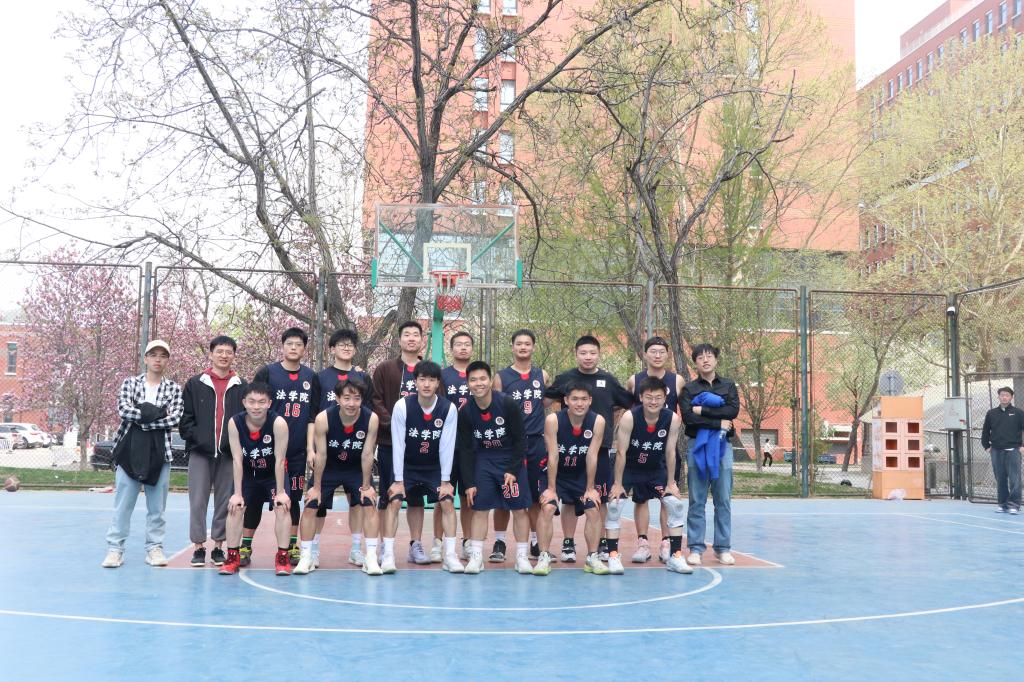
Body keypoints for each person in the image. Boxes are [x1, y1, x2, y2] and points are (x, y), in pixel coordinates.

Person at [545, 335, 634, 562]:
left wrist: (611, 419)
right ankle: (568, 543)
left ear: (599, 355)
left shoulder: (608, 380)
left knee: (598, 498)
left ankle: (601, 542)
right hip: (568, 450)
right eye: (583, 353)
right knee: (568, 500)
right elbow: (545, 399)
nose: (588, 357)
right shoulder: (565, 378)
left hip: (599, 449)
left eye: (592, 353)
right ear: (576, 354)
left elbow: (627, 403)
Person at [102, 340, 184, 568]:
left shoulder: (174, 388)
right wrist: (156, 414)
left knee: (157, 507)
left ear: (167, 360)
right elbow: (124, 410)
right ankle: (115, 549)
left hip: (160, 453)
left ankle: (154, 549)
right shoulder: (130, 383)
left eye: (163, 355)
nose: (158, 359)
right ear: (145, 358)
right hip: (129, 451)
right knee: (123, 504)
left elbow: (175, 417)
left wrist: (144, 417)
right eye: (153, 354)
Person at [248, 328, 321, 566]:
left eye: (298, 344)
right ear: (282, 346)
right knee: (255, 497)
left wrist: (310, 448)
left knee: (293, 498)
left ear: (304, 348)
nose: (293, 348)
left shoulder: (310, 377)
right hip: (267, 449)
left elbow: (312, 416)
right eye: (289, 343)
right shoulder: (267, 372)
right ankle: (245, 546)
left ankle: (290, 545)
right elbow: (254, 407)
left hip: (296, 450)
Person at [295, 378, 382, 575]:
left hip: (355, 468)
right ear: (337, 398)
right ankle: (307, 556)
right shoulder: (323, 418)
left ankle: (369, 556)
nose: (351, 403)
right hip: (329, 468)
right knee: (311, 504)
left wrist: (366, 486)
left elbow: (368, 454)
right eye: (347, 398)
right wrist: (317, 487)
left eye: (357, 398)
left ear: (362, 400)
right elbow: (321, 454)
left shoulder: (371, 419)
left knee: (369, 503)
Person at [382, 361, 463, 573]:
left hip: (433, 466)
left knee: (447, 501)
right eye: (422, 379)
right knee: (395, 501)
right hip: (407, 465)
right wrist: (398, 480)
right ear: (415, 382)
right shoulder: (402, 406)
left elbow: (447, 446)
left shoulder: (448, 408)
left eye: (431, 380)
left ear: (438, 383)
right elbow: (398, 444)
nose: (426, 384)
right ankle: (389, 554)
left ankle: (450, 556)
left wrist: (446, 481)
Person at [608, 376, 691, 574]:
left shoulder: (672, 418)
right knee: (614, 505)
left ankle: (675, 556)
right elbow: (621, 452)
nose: (653, 401)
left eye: (658, 397)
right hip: (629, 468)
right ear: (641, 397)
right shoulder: (629, 417)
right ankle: (612, 556)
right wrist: (617, 484)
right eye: (649, 397)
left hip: (655, 468)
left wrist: (671, 483)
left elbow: (670, 452)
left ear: (665, 398)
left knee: (675, 504)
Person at [458, 361, 533, 575]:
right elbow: (465, 449)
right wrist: (469, 482)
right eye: (473, 380)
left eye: (483, 378)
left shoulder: (507, 404)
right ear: (468, 384)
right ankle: (476, 557)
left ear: (491, 380)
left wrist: (513, 469)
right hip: (484, 460)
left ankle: (521, 556)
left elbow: (520, 440)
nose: (478, 383)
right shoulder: (466, 411)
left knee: (519, 509)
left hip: (510, 459)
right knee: (479, 509)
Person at [179, 335, 246, 567]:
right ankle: (198, 547)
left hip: (228, 454)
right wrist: (199, 439)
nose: (224, 355)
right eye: (219, 351)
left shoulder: (241, 385)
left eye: (229, 352)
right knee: (197, 501)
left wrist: (234, 443)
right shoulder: (195, 383)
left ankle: (218, 546)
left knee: (224, 501)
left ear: (234, 355)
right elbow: (186, 420)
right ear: (211, 354)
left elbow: (246, 419)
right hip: (200, 453)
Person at [370, 320, 431, 564]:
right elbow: (375, 400)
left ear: (422, 340)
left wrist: (420, 429)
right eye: (407, 334)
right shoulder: (385, 369)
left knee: (416, 498)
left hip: (419, 447)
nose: (411, 338)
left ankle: (416, 545)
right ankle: (385, 547)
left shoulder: (429, 371)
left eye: (416, 334)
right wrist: (394, 425)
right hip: (389, 444)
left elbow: (438, 403)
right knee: (388, 497)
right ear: (399, 340)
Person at [218, 383, 292, 576]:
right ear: (244, 402)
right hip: (249, 474)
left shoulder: (278, 423)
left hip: (272, 474)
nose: (256, 406)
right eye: (251, 401)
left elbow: (280, 460)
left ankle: (282, 557)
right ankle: (232, 556)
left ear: (269, 403)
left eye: (261, 402)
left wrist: (281, 492)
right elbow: (237, 459)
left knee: (282, 506)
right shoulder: (235, 422)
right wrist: (237, 493)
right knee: (235, 507)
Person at [535, 382, 606, 575]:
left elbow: (592, 456)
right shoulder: (553, 420)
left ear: (590, 401)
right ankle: (543, 556)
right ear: (566, 400)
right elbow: (553, 456)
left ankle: (592, 557)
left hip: (580, 474)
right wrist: (551, 488)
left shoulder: (597, 421)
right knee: (548, 507)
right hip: (556, 473)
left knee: (593, 509)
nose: (579, 403)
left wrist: (590, 488)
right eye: (574, 399)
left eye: (583, 399)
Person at [492, 328, 550, 562]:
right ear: (512, 347)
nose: (523, 347)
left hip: (536, 442)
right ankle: (499, 542)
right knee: (506, 495)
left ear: (533, 347)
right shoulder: (501, 377)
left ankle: (535, 542)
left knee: (535, 497)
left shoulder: (542, 375)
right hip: (510, 443)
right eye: (519, 343)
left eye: (527, 343)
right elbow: (496, 408)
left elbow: (546, 404)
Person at [315, 328, 372, 567]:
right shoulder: (321, 377)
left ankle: (356, 549)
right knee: (317, 502)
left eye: (350, 345)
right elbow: (312, 415)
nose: (346, 348)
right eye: (341, 344)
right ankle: (313, 550)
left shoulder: (363, 377)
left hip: (354, 451)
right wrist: (312, 450)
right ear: (332, 349)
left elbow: (368, 416)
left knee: (357, 501)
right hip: (327, 451)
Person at [626, 335, 685, 563]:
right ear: (645, 354)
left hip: (665, 449)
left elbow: (685, 410)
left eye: (661, 352)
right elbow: (627, 411)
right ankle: (642, 543)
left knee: (666, 497)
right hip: (640, 449)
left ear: (667, 355)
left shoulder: (677, 380)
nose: (657, 355)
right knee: (640, 499)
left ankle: (666, 542)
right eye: (653, 351)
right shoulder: (634, 380)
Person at [681, 343, 739, 567]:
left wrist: (703, 410)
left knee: (722, 499)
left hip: (723, 445)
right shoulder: (689, 389)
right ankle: (695, 548)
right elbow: (689, 418)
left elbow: (732, 411)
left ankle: (723, 548)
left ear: (716, 360)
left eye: (709, 356)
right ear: (695, 362)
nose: (705, 360)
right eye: (700, 357)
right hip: (697, 444)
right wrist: (718, 421)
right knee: (697, 499)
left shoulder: (728, 385)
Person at [437, 330, 474, 561]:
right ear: (451, 349)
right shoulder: (442, 376)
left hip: (472, 445)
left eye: (467, 344)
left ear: (472, 348)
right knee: (443, 496)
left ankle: (468, 542)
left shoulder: (478, 374)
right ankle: (437, 542)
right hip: (447, 444)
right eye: (458, 344)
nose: (463, 347)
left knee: (469, 497)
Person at [981, 387, 1024, 514]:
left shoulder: (1019, 413)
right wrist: (986, 446)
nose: (1004, 397)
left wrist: (1022, 446)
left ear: (1011, 397)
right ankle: (1003, 504)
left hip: (1013, 450)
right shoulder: (991, 413)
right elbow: (985, 431)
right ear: (999, 397)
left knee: (1014, 479)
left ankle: (1014, 505)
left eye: (1007, 395)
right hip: (996, 450)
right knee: (1000, 478)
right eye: (1002, 395)